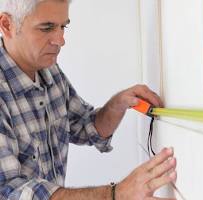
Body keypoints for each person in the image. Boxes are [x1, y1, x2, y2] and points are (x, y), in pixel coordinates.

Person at [0, 0, 177, 199]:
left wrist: (116, 104)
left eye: (63, 26)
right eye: (47, 27)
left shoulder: (49, 71)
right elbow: (8, 191)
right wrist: (115, 194)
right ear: (7, 25)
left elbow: (85, 127)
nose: (60, 40)